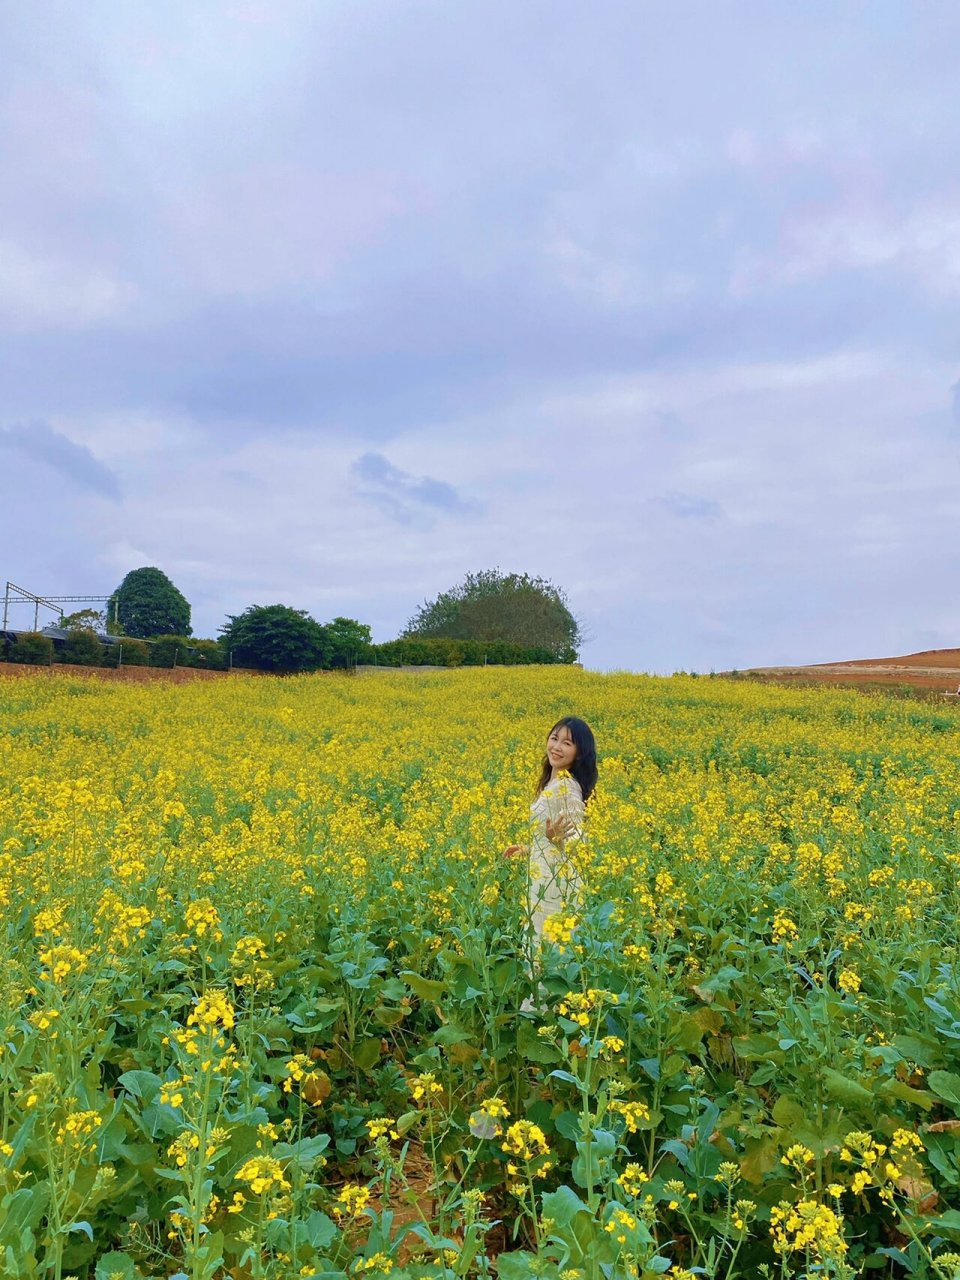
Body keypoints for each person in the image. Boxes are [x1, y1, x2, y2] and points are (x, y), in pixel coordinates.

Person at [504, 716, 598, 945]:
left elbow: (578, 840)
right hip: (544, 879)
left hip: (557, 887)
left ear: (579, 752)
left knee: (550, 953)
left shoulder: (567, 788)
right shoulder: (553, 782)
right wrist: (530, 848)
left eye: (567, 743)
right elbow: (550, 832)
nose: (556, 747)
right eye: (554, 738)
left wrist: (557, 841)